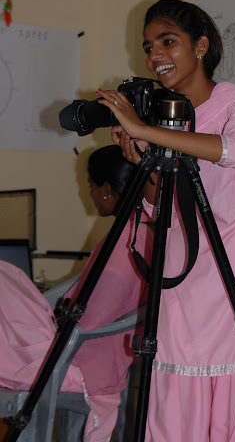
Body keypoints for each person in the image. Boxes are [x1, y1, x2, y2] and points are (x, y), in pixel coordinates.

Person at [96, 0, 235, 441]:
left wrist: (144, 131)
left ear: (201, 46)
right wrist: (143, 161)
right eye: (148, 47)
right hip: (183, 277)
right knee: (175, 401)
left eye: (167, 42)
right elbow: (162, 209)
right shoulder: (164, 118)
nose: (155, 56)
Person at [0, 145, 151, 442]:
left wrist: (58, 316)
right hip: (95, 354)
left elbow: (90, 316)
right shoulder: (140, 231)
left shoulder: (126, 239)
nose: (90, 193)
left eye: (91, 186)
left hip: (78, 360)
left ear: (106, 190)